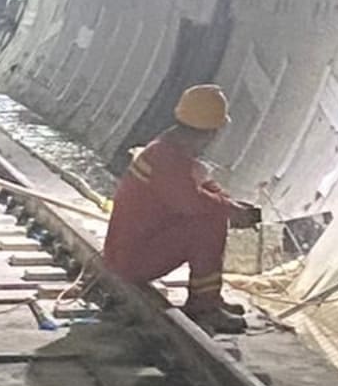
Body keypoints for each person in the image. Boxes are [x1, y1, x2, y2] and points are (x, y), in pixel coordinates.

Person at [102, 84, 262, 333]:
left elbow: (204, 186)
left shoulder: (169, 148)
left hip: (130, 250)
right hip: (132, 259)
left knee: (213, 212)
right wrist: (229, 210)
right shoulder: (168, 158)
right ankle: (204, 307)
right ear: (210, 131)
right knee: (208, 222)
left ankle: (209, 299)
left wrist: (230, 204)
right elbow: (190, 203)